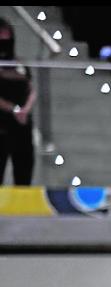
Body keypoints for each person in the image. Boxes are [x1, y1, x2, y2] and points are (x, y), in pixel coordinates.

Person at [0, 19, 35, 186]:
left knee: (24, 170)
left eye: (7, 37)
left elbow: (31, 89)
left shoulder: (20, 63)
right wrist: (13, 109)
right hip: (2, 123)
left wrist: (25, 109)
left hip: (22, 123)